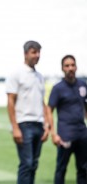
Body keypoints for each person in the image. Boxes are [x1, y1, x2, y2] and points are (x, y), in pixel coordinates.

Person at [5, 40, 49, 184]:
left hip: (39, 124)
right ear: (25, 54)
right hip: (24, 124)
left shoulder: (40, 76)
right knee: (27, 164)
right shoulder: (16, 74)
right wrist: (15, 128)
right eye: (34, 52)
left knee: (34, 164)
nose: (37, 55)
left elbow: (42, 102)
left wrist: (47, 125)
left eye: (38, 52)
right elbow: (11, 101)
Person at [47, 55, 87, 184]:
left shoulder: (83, 85)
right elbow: (49, 110)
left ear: (76, 67)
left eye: (72, 65)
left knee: (83, 168)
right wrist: (53, 133)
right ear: (62, 68)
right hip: (65, 135)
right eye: (67, 66)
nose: (70, 68)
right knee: (61, 169)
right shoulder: (58, 88)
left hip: (82, 134)